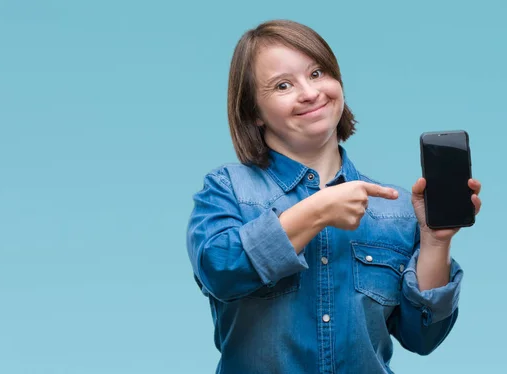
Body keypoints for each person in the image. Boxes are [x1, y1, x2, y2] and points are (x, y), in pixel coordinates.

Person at [185, 19, 482, 374]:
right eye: (283, 85)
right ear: (253, 112)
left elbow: (423, 337)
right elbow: (219, 269)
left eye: (317, 73)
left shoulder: (397, 210)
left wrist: (435, 243)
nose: (310, 93)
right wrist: (318, 210)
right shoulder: (228, 189)